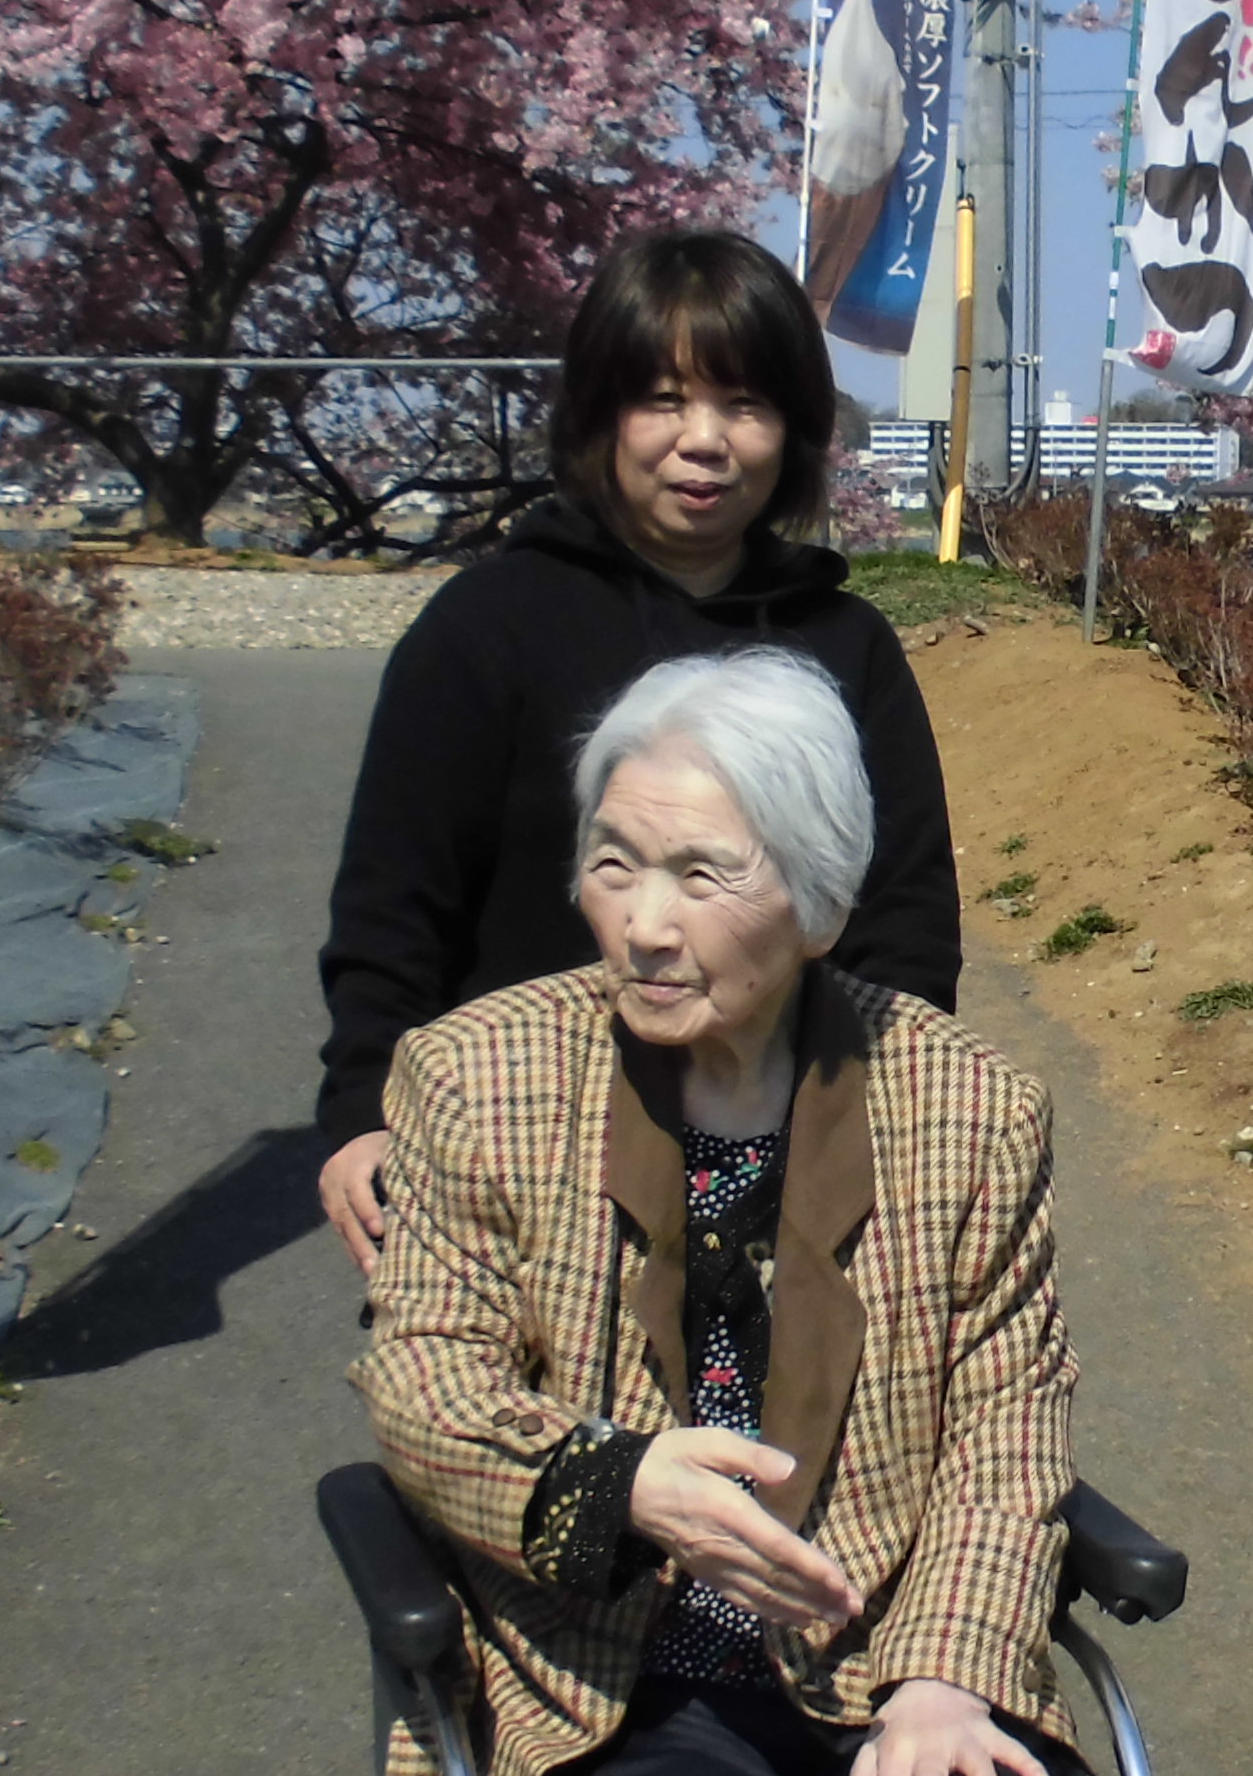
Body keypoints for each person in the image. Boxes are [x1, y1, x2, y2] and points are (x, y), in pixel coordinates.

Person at [361, 648, 1140, 1776]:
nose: (643, 922)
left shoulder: (961, 1103)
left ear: (818, 895)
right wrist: (618, 1485)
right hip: (601, 1692)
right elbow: (421, 1385)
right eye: (614, 863)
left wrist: (947, 1675)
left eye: (701, 874)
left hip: (869, 1667)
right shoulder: (482, 1075)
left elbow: (1011, 1423)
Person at [315, 229, 961, 1273]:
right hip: (523, 1140)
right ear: (602, 413)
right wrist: (363, 1107)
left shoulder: (847, 647)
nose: (704, 441)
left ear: (795, 428)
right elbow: (395, 903)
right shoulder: (487, 628)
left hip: (784, 1145)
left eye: (744, 404)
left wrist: (891, 1115)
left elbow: (905, 921)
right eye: (663, 399)